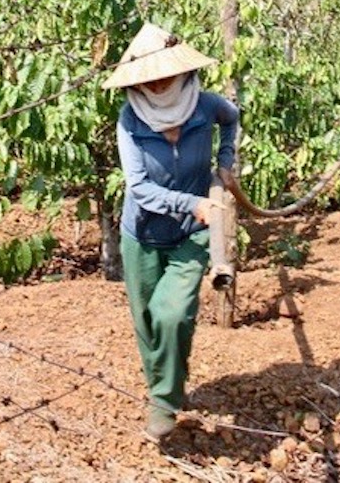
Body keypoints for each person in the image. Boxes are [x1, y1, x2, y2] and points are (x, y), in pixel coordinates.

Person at [102, 22, 241, 443]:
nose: (159, 83)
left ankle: (164, 401)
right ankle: (164, 389)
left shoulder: (205, 106)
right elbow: (140, 188)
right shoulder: (130, 118)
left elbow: (232, 120)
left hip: (191, 235)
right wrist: (192, 202)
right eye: (150, 77)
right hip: (141, 234)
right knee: (147, 323)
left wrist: (226, 159)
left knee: (172, 313)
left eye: (165, 74)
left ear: (181, 72)